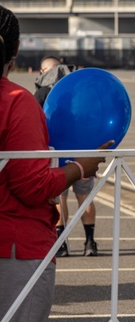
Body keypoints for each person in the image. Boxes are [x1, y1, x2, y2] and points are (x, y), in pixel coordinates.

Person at [0, 5, 106, 322]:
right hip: (16, 251)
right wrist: (80, 168)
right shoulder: (15, 101)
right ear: (16, 48)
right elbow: (32, 185)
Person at [33, 56, 99, 257]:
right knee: (84, 196)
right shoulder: (77, 89)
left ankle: (61, 244)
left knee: (60, 197)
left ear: (45, 71)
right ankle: (89, 242)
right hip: (82, 151)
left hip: (56, 152)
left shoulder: (43, 92)